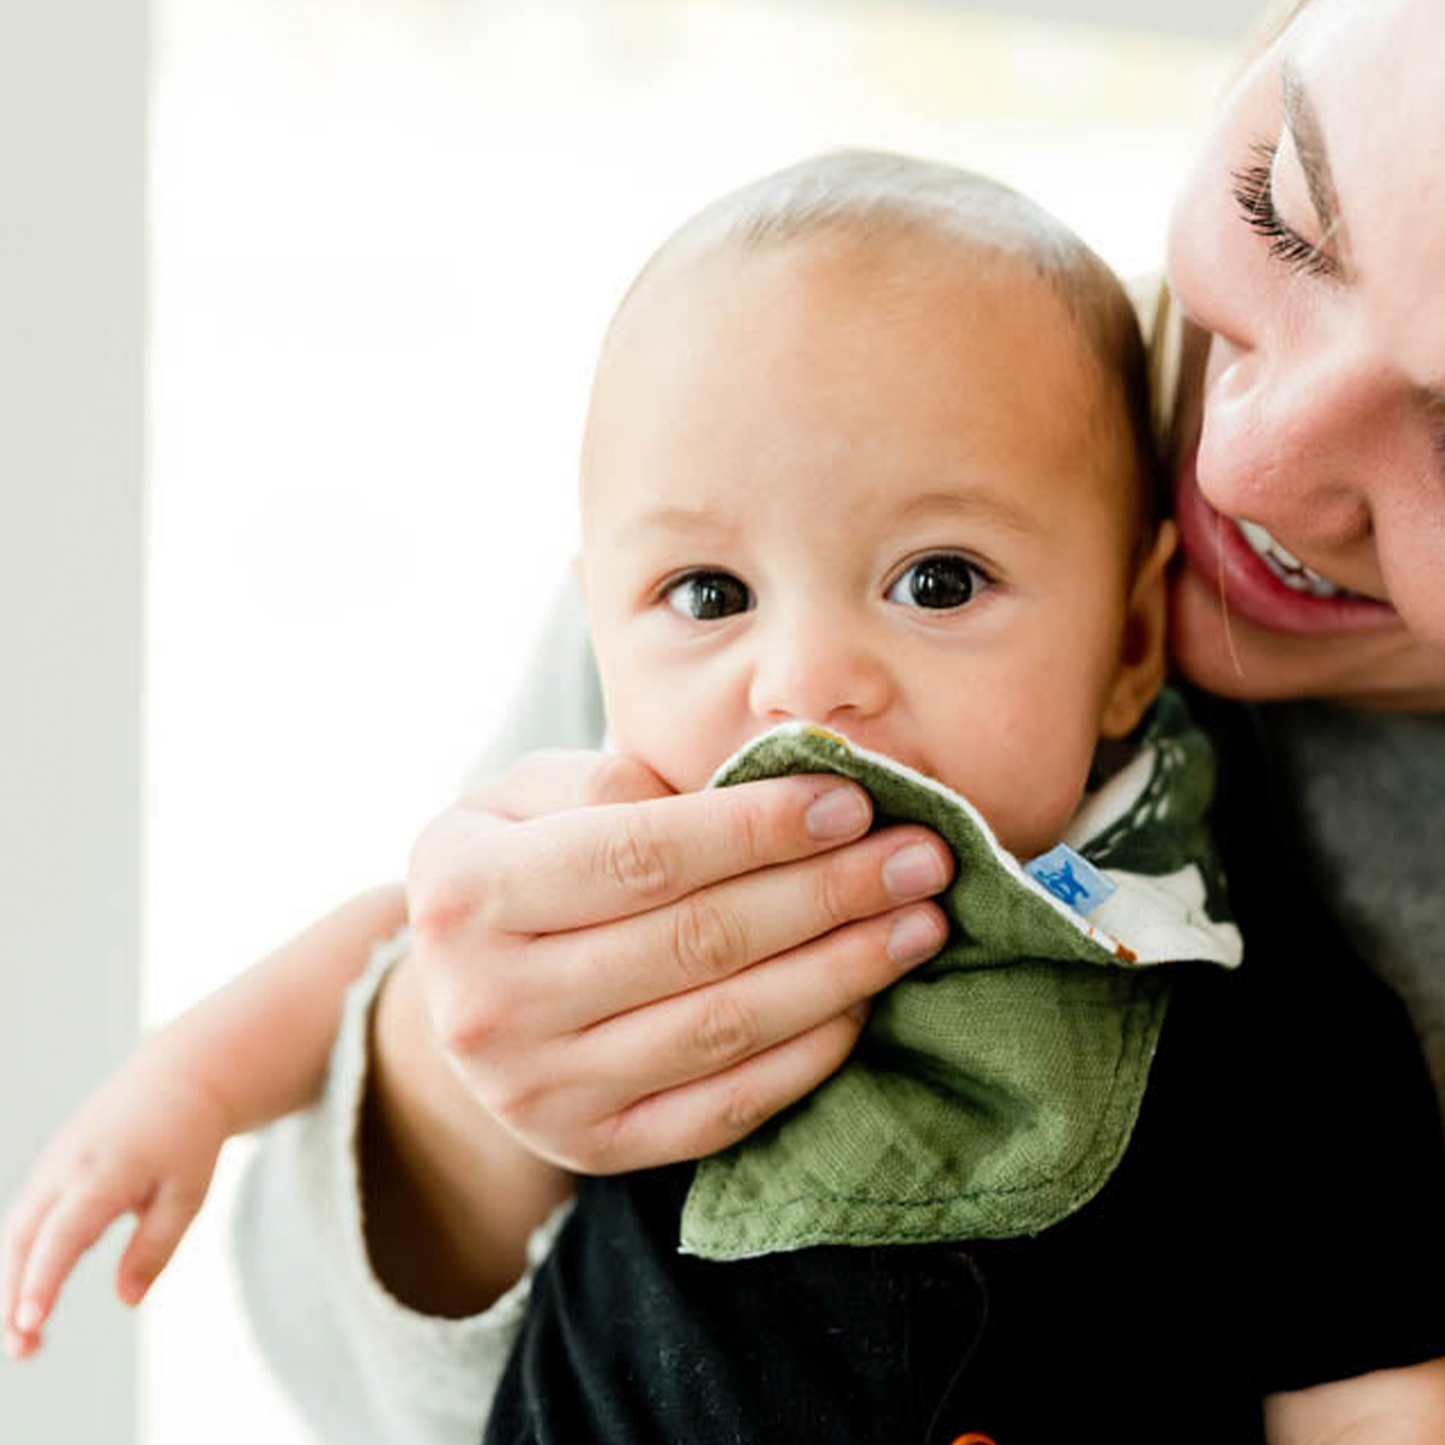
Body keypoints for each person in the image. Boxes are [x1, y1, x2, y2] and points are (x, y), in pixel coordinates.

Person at [7, 0, 1445, 1434]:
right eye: (1288, 211)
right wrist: (224, 1087)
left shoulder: (1241, 980)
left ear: (1124, 639)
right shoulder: (767, 551)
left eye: (937, 584)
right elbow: (392, 965)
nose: (799, 682)